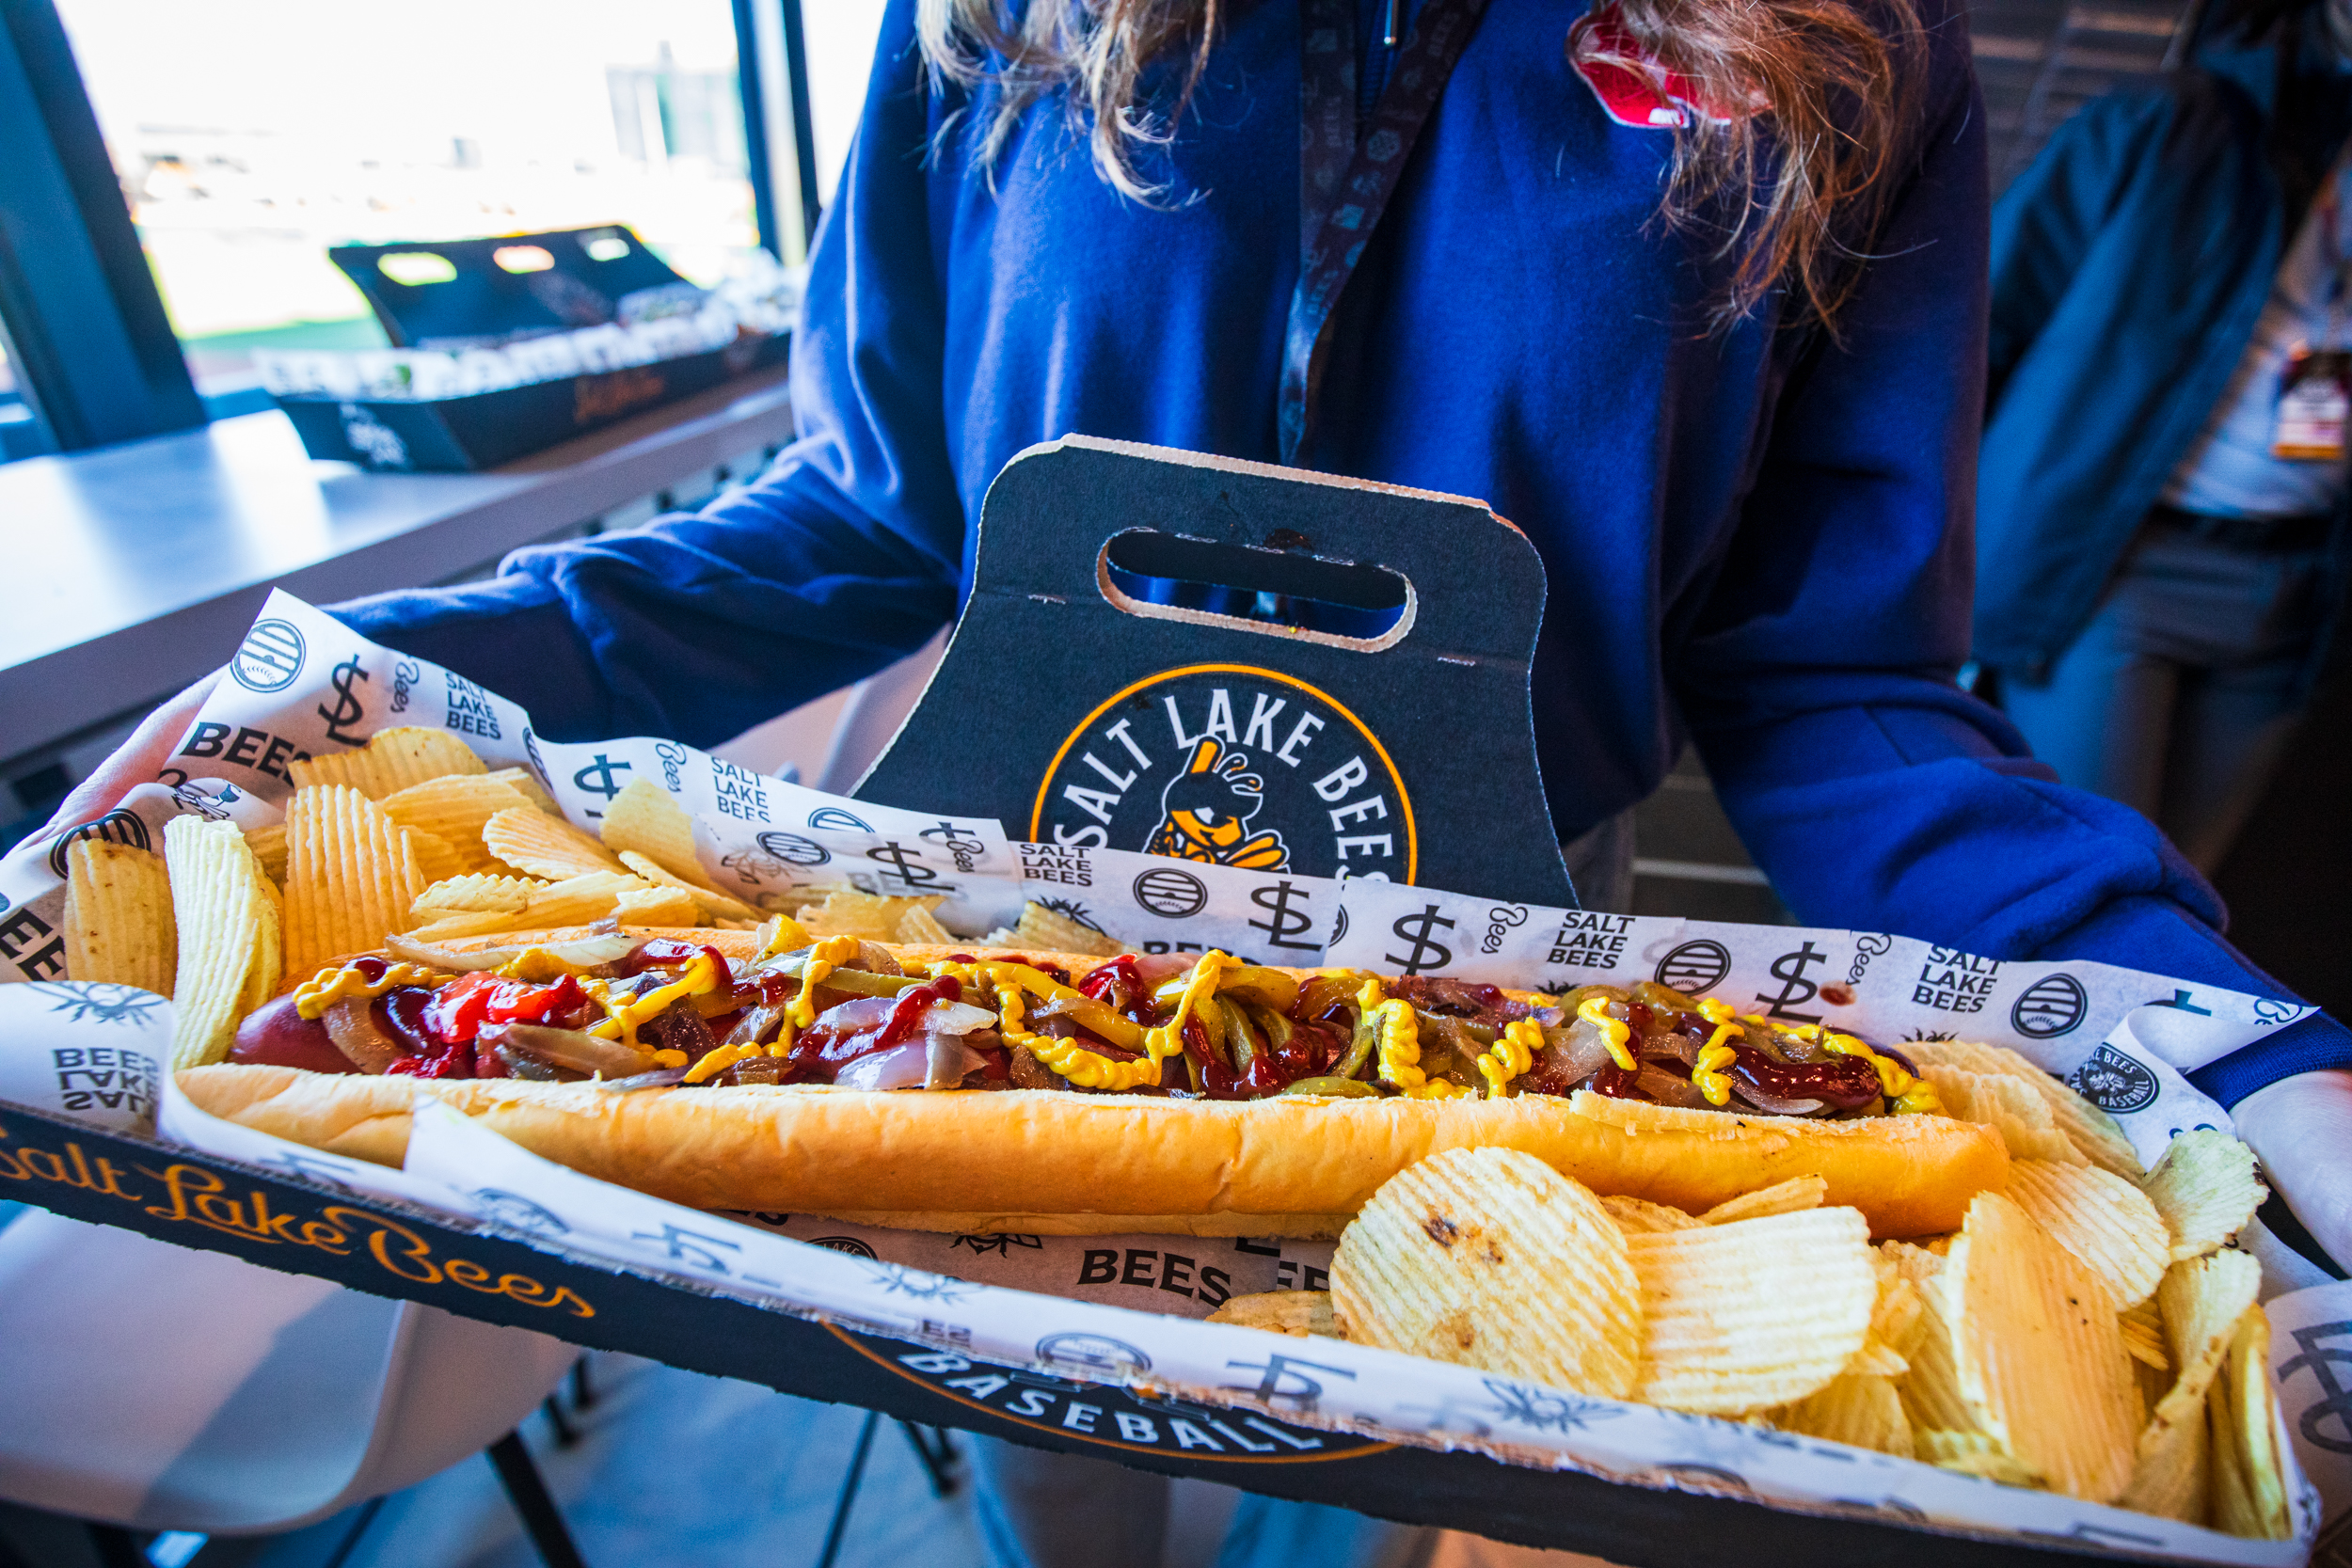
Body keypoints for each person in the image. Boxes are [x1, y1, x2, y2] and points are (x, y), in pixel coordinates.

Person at [52, 0, 2352, 1560]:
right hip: (961, 992)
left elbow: (1837, 675)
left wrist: (2225, 1034)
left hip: (1507, 984)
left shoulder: (1852, 49)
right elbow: (860, 520)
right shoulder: (1005, 9)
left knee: (1358, 1511)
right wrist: (346, 678)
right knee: (1053, 1525)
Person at [1978, 0, 2352, 874]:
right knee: (2091, 875)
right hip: (2116, 572)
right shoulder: (2164, 126)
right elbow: (1976, 335)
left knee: (2186, 894)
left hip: (2297, 591)